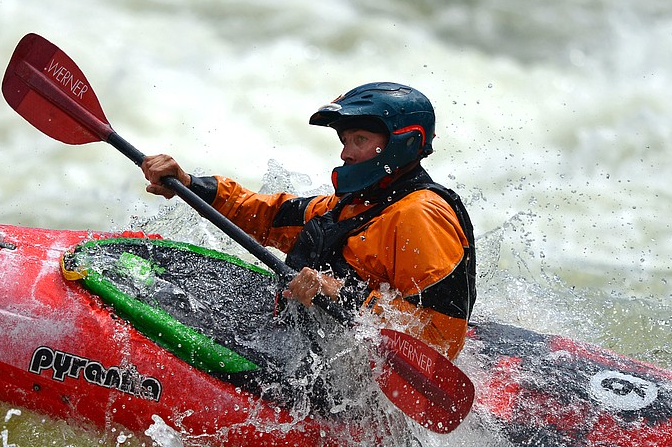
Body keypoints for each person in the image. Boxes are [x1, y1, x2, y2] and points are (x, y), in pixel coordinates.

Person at [140, 82, 476, 361]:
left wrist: (340, 295)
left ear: (405, 142)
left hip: (353, 382)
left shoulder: (420, 215)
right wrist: (188, 184)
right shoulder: (356, 204)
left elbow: (441, 340)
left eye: (360, 140)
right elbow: (269, 215)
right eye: (345, 141)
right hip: (309, 347)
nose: (346, 153)